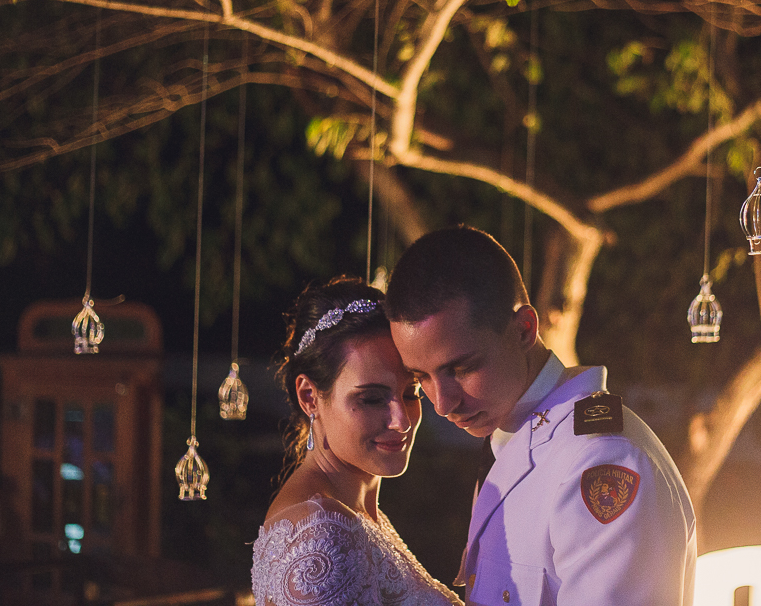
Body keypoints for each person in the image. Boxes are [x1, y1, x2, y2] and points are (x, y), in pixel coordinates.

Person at [385, 226, 697, 606]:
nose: (442, 404)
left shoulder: (601, 459)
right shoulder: (509, 432)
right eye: (421, 378)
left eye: (461, 368)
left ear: (524, 330)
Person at [251, 276, 462, 606]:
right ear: (309, 397)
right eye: (372, 399)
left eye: (411, 393)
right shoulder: (320, 533)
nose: (402, 420)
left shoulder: (356, 513)